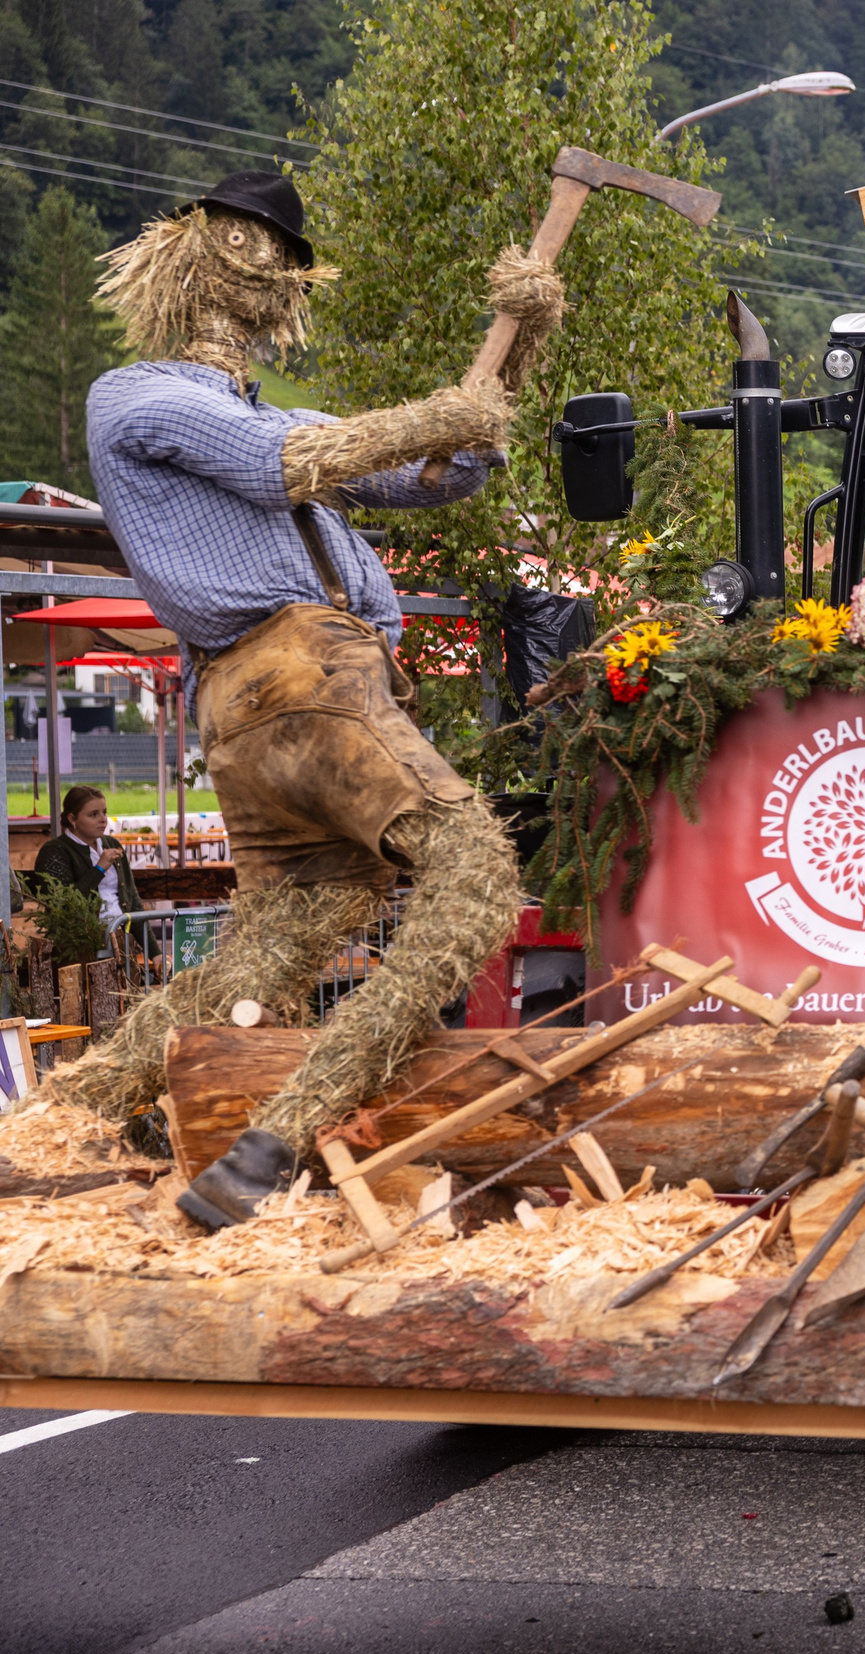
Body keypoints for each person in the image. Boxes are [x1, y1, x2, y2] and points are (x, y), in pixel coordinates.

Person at [48, 169, 565, 1230]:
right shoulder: (135, 397)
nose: (266, 264)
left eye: (282, 252)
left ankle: (58, 1121)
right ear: (182, 250)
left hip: (281, 696)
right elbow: (284, 461)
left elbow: (443, 472)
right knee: (473, 874)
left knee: (269, 948)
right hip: (296, 676)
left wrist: (519, 344)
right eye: (241, 240)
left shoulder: (269, 410)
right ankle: (282, 1132)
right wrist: (444, 411)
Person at [31, 785, 126, 937]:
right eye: (94, 814)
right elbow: (64, 906)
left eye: (104, 812)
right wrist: (99, 869)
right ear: (72, 819)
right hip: (80, 940)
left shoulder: (112, 844)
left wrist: (152, 948)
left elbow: (132, 899)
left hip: (123, 934)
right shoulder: (55, 851)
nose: (103, 820)